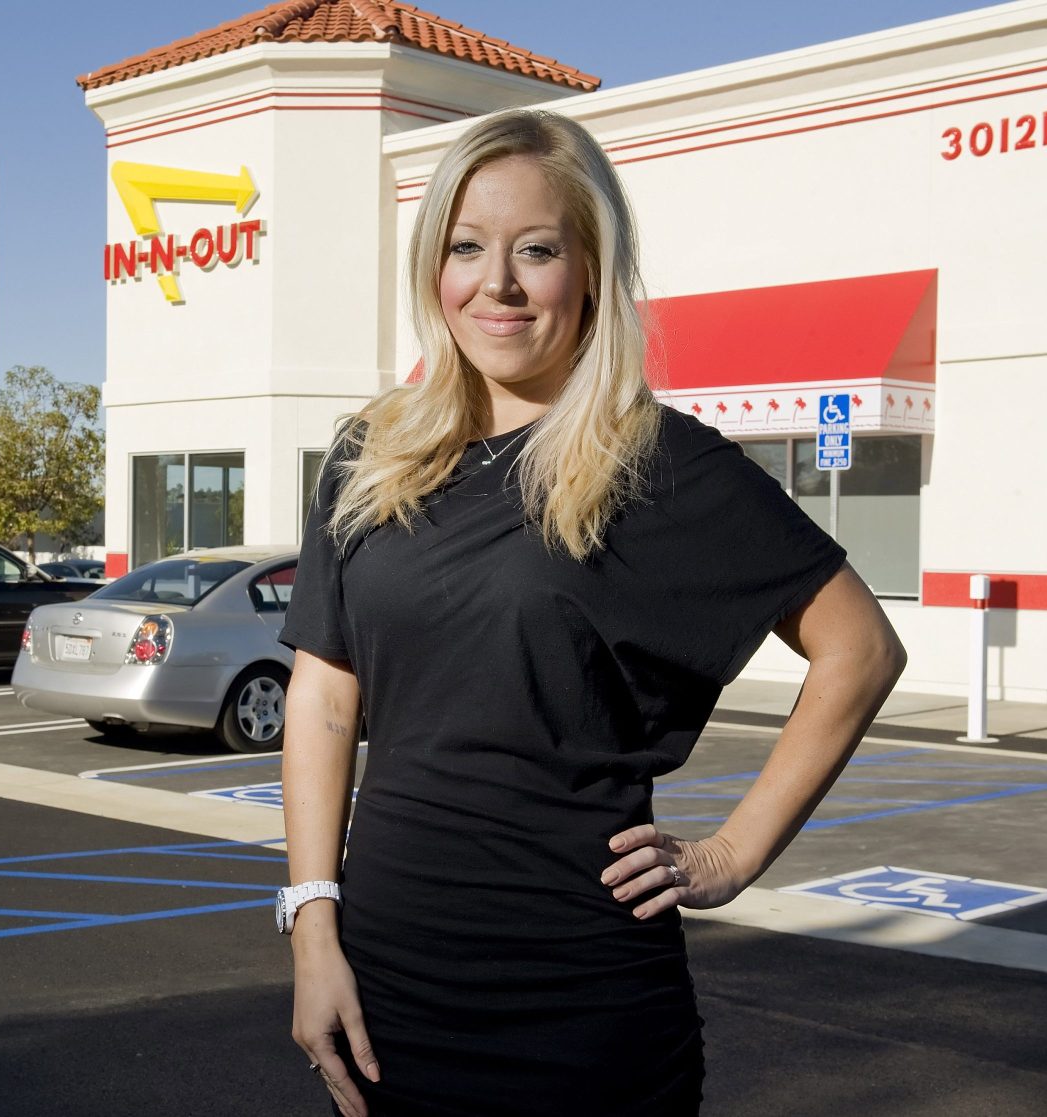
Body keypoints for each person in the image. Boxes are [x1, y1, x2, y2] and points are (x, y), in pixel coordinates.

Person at [277, 108, 906, 1117]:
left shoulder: (660, 463)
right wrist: (314, 926)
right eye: (466, 247)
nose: (499, 283)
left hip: (581, 997)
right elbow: (324, 691)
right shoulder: (373, 452)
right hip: (392, 976)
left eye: (537, 249)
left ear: (591, 265)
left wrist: (733, 854)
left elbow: (861, 648)